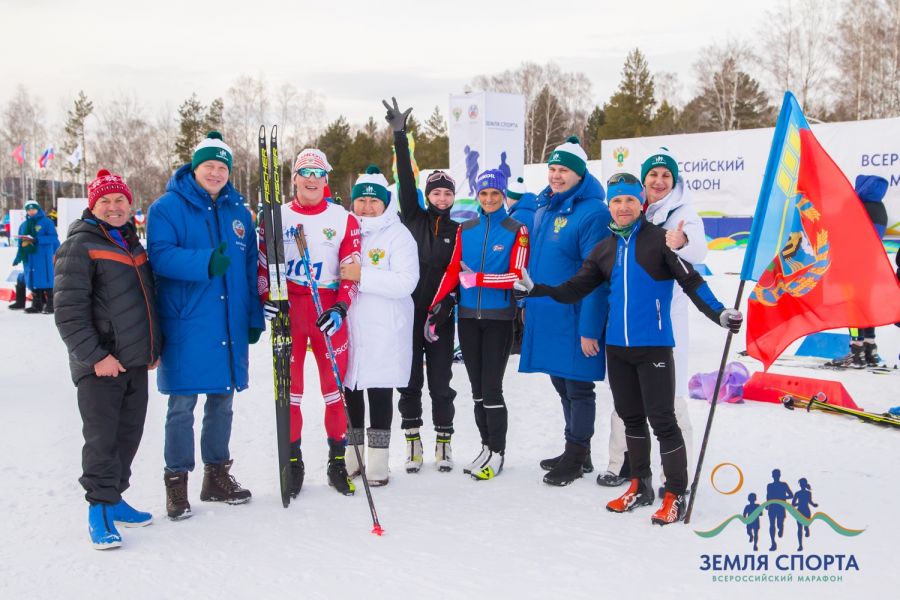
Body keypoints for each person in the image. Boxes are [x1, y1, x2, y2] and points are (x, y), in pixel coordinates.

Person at [515, 173, 742, 525]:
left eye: (629, 200)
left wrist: (720, 313)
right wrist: (537, 289)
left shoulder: (659, 241)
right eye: (616, 201)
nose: (623, 207)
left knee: (663, 421)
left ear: (640, 203)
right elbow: (576, 288)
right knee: (631, 419)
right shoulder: (604, 247)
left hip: (653, 348)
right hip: (617, 350)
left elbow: (692, 281)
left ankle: (675, 493)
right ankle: (640, 484)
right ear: (611, 205)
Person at [148, 131, 264, 520]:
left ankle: (216, 476)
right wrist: (204, 264)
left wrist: (251, 316)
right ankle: (176, 483)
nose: (215, 173)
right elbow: (160, 257)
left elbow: (249, 269)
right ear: (194, 168)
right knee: (182, 404)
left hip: (228, 321)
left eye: (222, 167)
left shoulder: (238, 213)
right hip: (187, 321)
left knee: (223, 401)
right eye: (209, 166)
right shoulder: (167, 208)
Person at [53, 169, 161, 549]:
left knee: (128, 436)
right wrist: (97, 356)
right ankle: (98, 509)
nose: (114, 207)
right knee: (102, 440)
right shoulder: (79, 246)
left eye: (120, 201)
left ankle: (115, 498)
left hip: (133, 362)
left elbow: (145, 302)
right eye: (106, 202)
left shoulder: (132, 244)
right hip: (100, 365)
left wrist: (152, 349)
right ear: (93, 206)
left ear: (130, 205)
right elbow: (68, 312)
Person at [599, 148, 707, 493]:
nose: (659, 182)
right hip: (631, 319)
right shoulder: (632, 210)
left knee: (669, 399)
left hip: (667, 317)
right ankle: (623, 463)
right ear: (643, 182)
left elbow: (698, 252)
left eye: (666, 176)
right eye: (653, 176)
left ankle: (677, 475)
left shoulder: (682, 212)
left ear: (674, 181)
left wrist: (683, 241)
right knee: (625, 396)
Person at [259, 147, 361, 497]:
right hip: (291, 308)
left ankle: (336, 461)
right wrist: (265, 299)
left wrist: (341, 307)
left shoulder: (343, 218)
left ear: (326, 180)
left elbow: (351, 269)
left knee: (334, 393)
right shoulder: (277, 216)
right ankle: (293, 462)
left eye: (319, 174)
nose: (313, 180)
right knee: (291, 394)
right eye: (306, 173)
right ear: (295, 179)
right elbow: (262, 266)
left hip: (327, 308)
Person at [518, 136, 611, 486]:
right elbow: (537, 264)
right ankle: (576, 448)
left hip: (575, 314)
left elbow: (597, 274)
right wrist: (529, 303)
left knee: (578, 386)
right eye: (553, 169)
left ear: (580, 174)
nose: (556, 176)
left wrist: (590, 327)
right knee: (560, 381)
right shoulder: (546, 207)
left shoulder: (594, 212)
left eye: (564, 171)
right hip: (548, 310)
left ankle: (576, 455)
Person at [427, 169, 529, 480]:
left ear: (502, 195)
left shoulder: (517, 229)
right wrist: (434, 306)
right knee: (476, 391)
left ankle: (498, 452)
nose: (488, 199)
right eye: (483, 194)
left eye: (495, 194)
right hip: (469, 319)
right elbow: (452, 270)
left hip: (499, 320)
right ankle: (485, 447)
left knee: (492, 389)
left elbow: (518, 277)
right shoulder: (466, 229)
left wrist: (479, 279)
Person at [384, 98, 461, 473]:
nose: (442, 198)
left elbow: (461, 274)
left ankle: (444, 442)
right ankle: (412, 442)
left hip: (440, 318)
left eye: (447, 193)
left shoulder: (458, 230)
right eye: (436, 192)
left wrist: (448, 305)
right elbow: (405, 177)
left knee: (442, 383)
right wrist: (400, 137)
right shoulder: (412, 216)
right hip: (408, 315)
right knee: (410, 382)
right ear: (428, 195)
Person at [339, 165, 419, 486]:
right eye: (361, 201)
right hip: (349, 326)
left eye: (374, 201)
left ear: (385, 203)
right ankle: (352, 456)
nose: (367, 207)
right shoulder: (345, 230)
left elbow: (406, 281)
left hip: (384, 329)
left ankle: (378, 462)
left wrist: (364, 276)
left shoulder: (398, 234)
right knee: (351, 392)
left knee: (379, 394)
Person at [826, 174, 889, 368]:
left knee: (852, 308)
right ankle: (871, 349)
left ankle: (856, 350)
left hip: (852, 266)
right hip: (871, 266)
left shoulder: (855, 207)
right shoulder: (881, 209)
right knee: (866, 305)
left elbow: (838, 231)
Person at [506, 176, 540, 355]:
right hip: (535, 269)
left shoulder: (515, 217)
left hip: (519, 269)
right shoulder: (537, 212)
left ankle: (516, 343)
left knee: (517, 305)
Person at [13, 199, 60, 313]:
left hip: (43, 256)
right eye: (29, 210)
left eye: (33, 209)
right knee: (33, 279)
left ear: (38, 209)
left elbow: (53, 237)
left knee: (47, 279)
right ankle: (37, 305)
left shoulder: (47, 222)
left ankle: (51, 305)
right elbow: (21, 243)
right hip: (30, 257)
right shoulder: (24, 225)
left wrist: (37, 239)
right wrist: (18, 257)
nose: (31, 211)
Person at [792, 478, 817, 551]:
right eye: (801, 484)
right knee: (799, 528)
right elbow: (793, 504)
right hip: (799, 511)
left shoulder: (808, 493)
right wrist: (799, 503)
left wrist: (814, 505)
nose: (802, 485)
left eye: (803, 484)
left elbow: (810, 501)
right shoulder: (797, 493)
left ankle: (806, 528)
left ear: (805, 484)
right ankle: (800, 545)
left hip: (806, 510)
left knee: (806, 525)